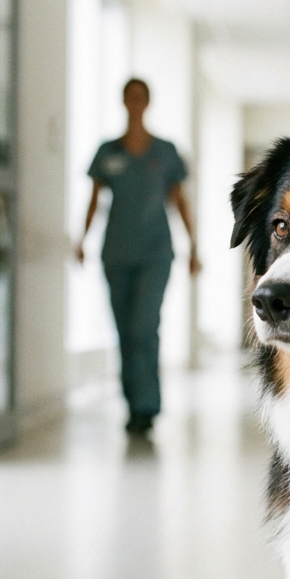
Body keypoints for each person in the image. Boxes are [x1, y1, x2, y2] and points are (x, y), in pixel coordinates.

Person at [76, 78, 198, 436]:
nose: (135, 102)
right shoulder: (107, 151)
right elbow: (94, 199)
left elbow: (179, 202)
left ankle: (147, 405)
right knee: (124, 331)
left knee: (144, 327)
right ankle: (133, 404)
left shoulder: (165, 152)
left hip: (155, 253)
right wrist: (81, 240)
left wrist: (194, 247)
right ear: (123, 102)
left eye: (140, 97)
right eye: (130, 97)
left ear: (147, 102)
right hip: (115, 252)